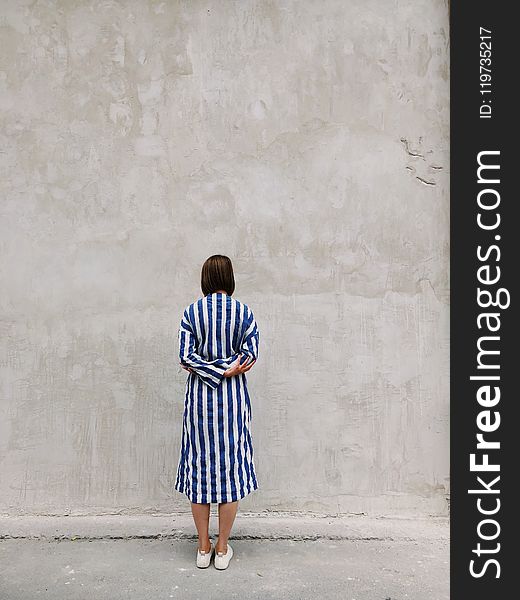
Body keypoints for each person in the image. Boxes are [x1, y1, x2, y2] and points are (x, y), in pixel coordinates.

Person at [174, 254, 259, 570]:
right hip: (233, 401)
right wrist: (226, 371)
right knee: (230, 470)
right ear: (230, 278)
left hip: (199, 402)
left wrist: (209, 371)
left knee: (199, 470)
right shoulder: (244, 313)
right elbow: (251, 354)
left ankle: (202, 546)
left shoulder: (191, 313)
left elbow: (184, 357)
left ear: (205, 279)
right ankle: (222, 549)